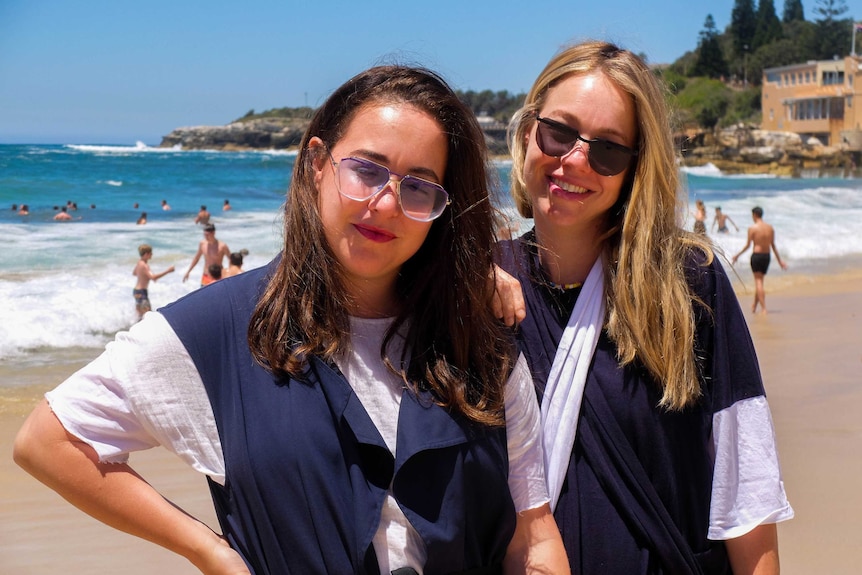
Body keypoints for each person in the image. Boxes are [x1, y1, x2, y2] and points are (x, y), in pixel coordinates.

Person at [14, 65, 568, 574]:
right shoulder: (220, 332)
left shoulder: (475, 340)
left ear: (441, 208)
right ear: (317, 164)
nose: (385, 204)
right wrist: (210, 552)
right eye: (367, 170)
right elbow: (47, 442)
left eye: (418, 187)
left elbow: (533, 536)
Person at [497, 41, 793, 574]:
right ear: (527, 134)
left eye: (607, 149)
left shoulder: (689, 283)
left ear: (634, 167)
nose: (575, 160)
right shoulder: (478, 288)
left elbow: (746, 493)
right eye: (558, 132)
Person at [732, 206, 788, 314]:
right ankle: (754, 306)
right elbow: (773, 246)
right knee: (760, 282)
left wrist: (737, 255)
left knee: (758, 283)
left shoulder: (752, 228)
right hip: (767, 256)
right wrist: (780, 261)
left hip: (757, 256)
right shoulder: (770, 228)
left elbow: (748, 245)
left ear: (755, 215)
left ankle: (763, 309)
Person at [132, 244, 175, 319]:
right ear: (146, 254)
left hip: (136, 291)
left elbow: (135, 273)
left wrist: (145, 277)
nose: (152, 255)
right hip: (142, 292)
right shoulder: (145, 265)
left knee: (140, 316)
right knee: (148, 315)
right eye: (150, 253)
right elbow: (153, 277)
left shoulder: (139, 263)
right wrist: (168, 271)